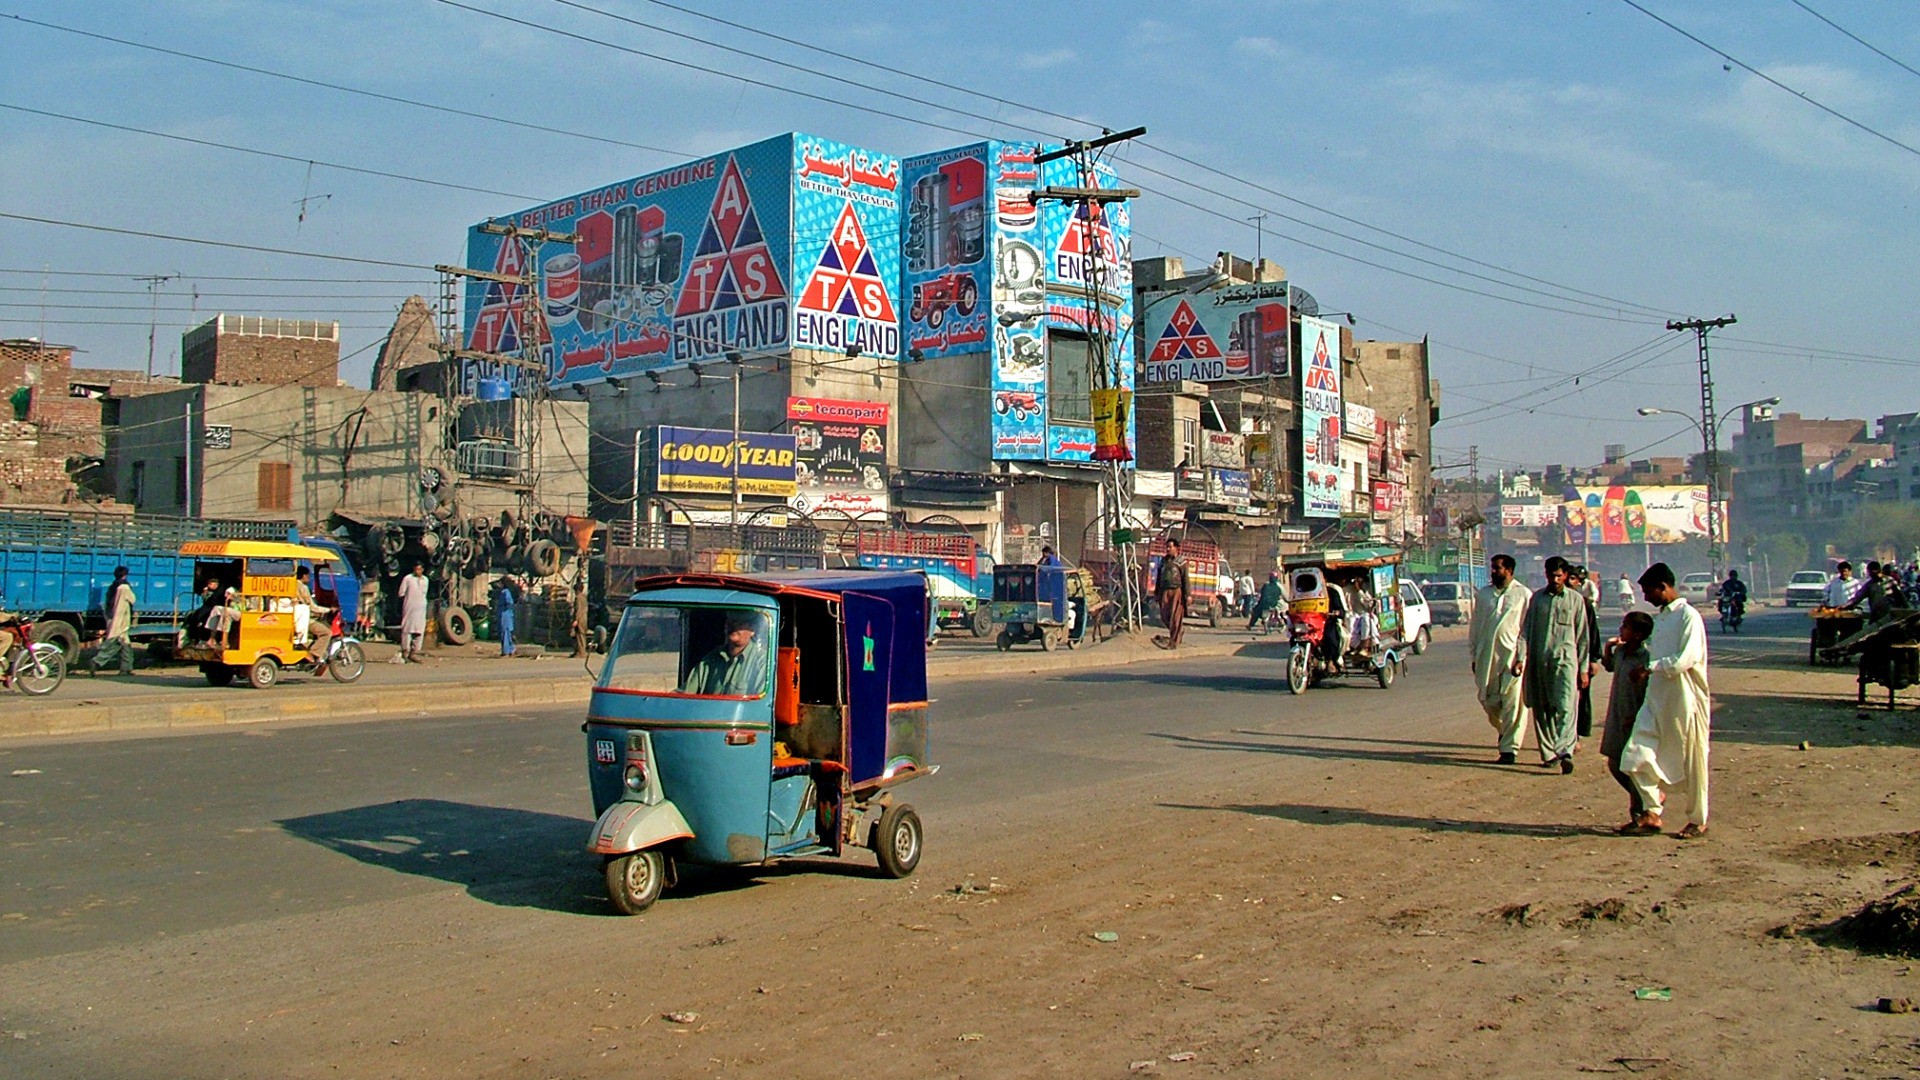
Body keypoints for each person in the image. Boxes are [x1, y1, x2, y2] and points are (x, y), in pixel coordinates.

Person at [1619, 562, 1712, 839]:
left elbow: (1686, 659)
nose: (1645, 597)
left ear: (1664, 587)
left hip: (1686, 698)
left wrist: (1652, 668)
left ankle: (1698, 819)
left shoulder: (1689, 617)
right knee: (1634, 754)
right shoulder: (1660, 620)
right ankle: (1651, 811)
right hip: (1657, 697)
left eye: (1648, 591)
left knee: (1693, 760)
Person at [1519, 555, 1591, 774]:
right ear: (1546, 574)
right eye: (1551, 575)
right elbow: (1525, 632)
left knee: (1566, 705)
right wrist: (1520, 659)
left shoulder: (1575, 600)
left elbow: (1582, 636)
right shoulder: (1537, 599)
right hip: (1539, 662)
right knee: (1542, 709)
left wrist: (1584, 668)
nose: (1555, 579)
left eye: (1559, 575)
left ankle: (1565, 751)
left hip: (1565, 662)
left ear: (1566, 576)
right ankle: (1549, 753)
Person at [1469, 554, 1530, 764]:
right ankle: (1504, 730)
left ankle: (1509, 750)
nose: (1493, 572)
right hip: (1487, 657)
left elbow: (1525, 629)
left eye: (1497, 568)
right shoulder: (1484, 595)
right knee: (1488, 700)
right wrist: (1474, 654)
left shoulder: (1523, 594)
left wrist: (1522, 657)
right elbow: (1475, 626)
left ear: (1510, 570)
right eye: (1493, 568)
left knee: (1513, 703)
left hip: (1512, 656)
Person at [1600, 610, 1657, 834]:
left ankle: (1641, 813)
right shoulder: (1622, 652)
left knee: (1633, 766)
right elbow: (1609, 665)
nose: (1621, 630)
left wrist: (1639, 715)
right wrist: (1608, 648)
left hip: (1635, 717)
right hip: (1617, 713)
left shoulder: (1646, 659)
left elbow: (1652, 692)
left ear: (1638, 633)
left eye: (1625, 626)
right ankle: (1648, 799)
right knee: (1615, 762)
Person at [680, 612, 769, 696]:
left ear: (752, 629)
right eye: (730, 621)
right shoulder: (711, 660)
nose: (733, 625)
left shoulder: (762, 662)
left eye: (740, 622)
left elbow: (759, 705)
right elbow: (685, 693)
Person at [1571, 566, 1603, 743]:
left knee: (1580, 698)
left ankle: (1576, 734)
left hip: (1581, 658)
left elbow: (1592, 633)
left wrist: (1593, 659)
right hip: (1559, 659)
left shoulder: (1585, 603)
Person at [91, 566, 137, 676]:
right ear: (125, 575)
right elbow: (133, 599)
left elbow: (107, 603)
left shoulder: (112, 586)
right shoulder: (124, 587)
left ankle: (126, 668)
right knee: (115, 643)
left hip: (112, 617)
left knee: (126, 644)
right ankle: (96, 661)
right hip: (121, 620)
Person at [293, 566, 333, 672]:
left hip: (293, 617)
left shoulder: (291, 584)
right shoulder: (302, 587)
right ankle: (313, 654)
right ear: (304, 575)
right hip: (303, 619)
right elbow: (312, 607)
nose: (309, 578)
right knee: (327, 633)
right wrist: (328, 610)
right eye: (308, 576)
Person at [1154, 539, 1190, 649]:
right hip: (1165, 591)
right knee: (1164, 615)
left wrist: (1188, 595)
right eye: (1167, 547)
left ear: (1176, 548)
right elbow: (1158, 578)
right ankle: (1178, 631)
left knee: (1175, 616)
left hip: (1176, 591)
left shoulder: (1181, 561)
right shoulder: (1163, 561)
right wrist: (1156, 592)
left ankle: (1173, 643)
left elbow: (1186, 579)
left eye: (1170, 547)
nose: (1168, 549)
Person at [397, 563, 429, 662]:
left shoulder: (425, 580)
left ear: (422, 569)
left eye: (419, 569)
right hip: (410, 607)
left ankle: (414, 653)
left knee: (419, 630)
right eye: (416, 569)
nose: (417, 571)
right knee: (407, 629)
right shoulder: (408, 579)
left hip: (421, 608)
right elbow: (401, 593)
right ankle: (405, 652)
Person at [495, 575, 519, 658]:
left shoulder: (505, 592)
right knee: (508, 633)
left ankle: (506, 651)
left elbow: (509, 602)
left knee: (504, 633)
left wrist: (505, 607)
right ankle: (511, 650)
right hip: (507, 615)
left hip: (505, 615)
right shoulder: (507, 591)